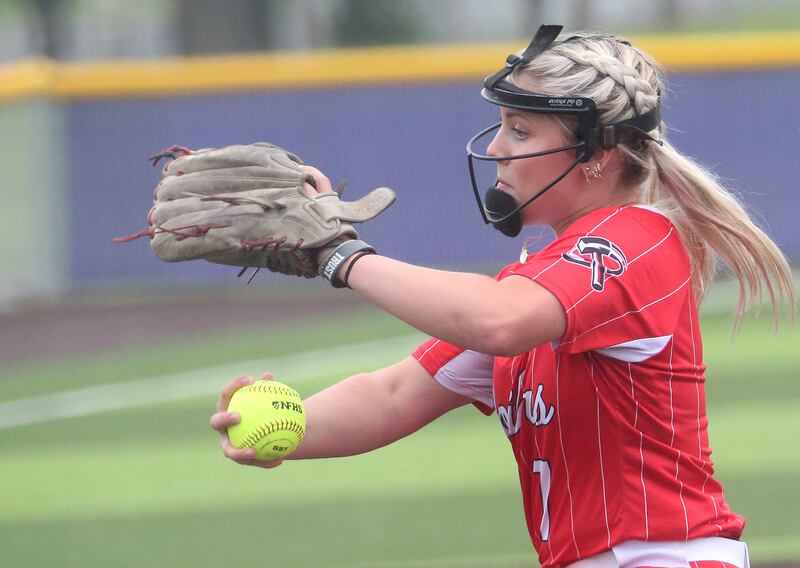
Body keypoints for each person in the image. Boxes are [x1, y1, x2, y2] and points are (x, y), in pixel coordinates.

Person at [210, 25, 795, 568]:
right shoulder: (538, 282)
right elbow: (393, 396)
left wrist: (339, 255)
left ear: (595, 154)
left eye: (521, 130)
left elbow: (497, 322)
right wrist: (286, 429)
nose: (495, 149)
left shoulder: (635, 240)